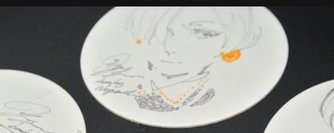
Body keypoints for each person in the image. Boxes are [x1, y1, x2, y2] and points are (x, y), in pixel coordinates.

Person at [91, 7, 262, 112]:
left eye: (203, 33)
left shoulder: (222, 94)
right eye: (164, 30)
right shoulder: (113, 79)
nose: (170, 46)